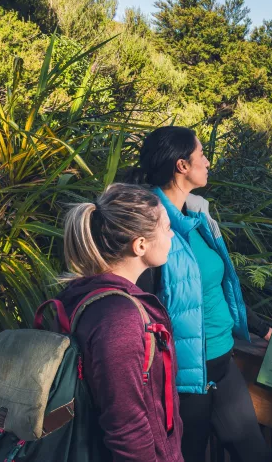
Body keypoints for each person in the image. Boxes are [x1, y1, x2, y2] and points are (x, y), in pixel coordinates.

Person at [128, 126, 272, 462]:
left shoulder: (199, 215)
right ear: (182, 166)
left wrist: (263, 328)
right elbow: (140, 307)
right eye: (201, 154)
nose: (207, 162)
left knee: (255, 455)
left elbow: (221, 287)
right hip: (183, 378)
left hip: (224, 362)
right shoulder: (152, 229)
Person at [56, 183, 183, 462]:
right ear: (140, 245)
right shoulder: (119, 320)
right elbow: (127, 428)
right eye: (165, 227)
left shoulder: (84, 295)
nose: (172, 234)